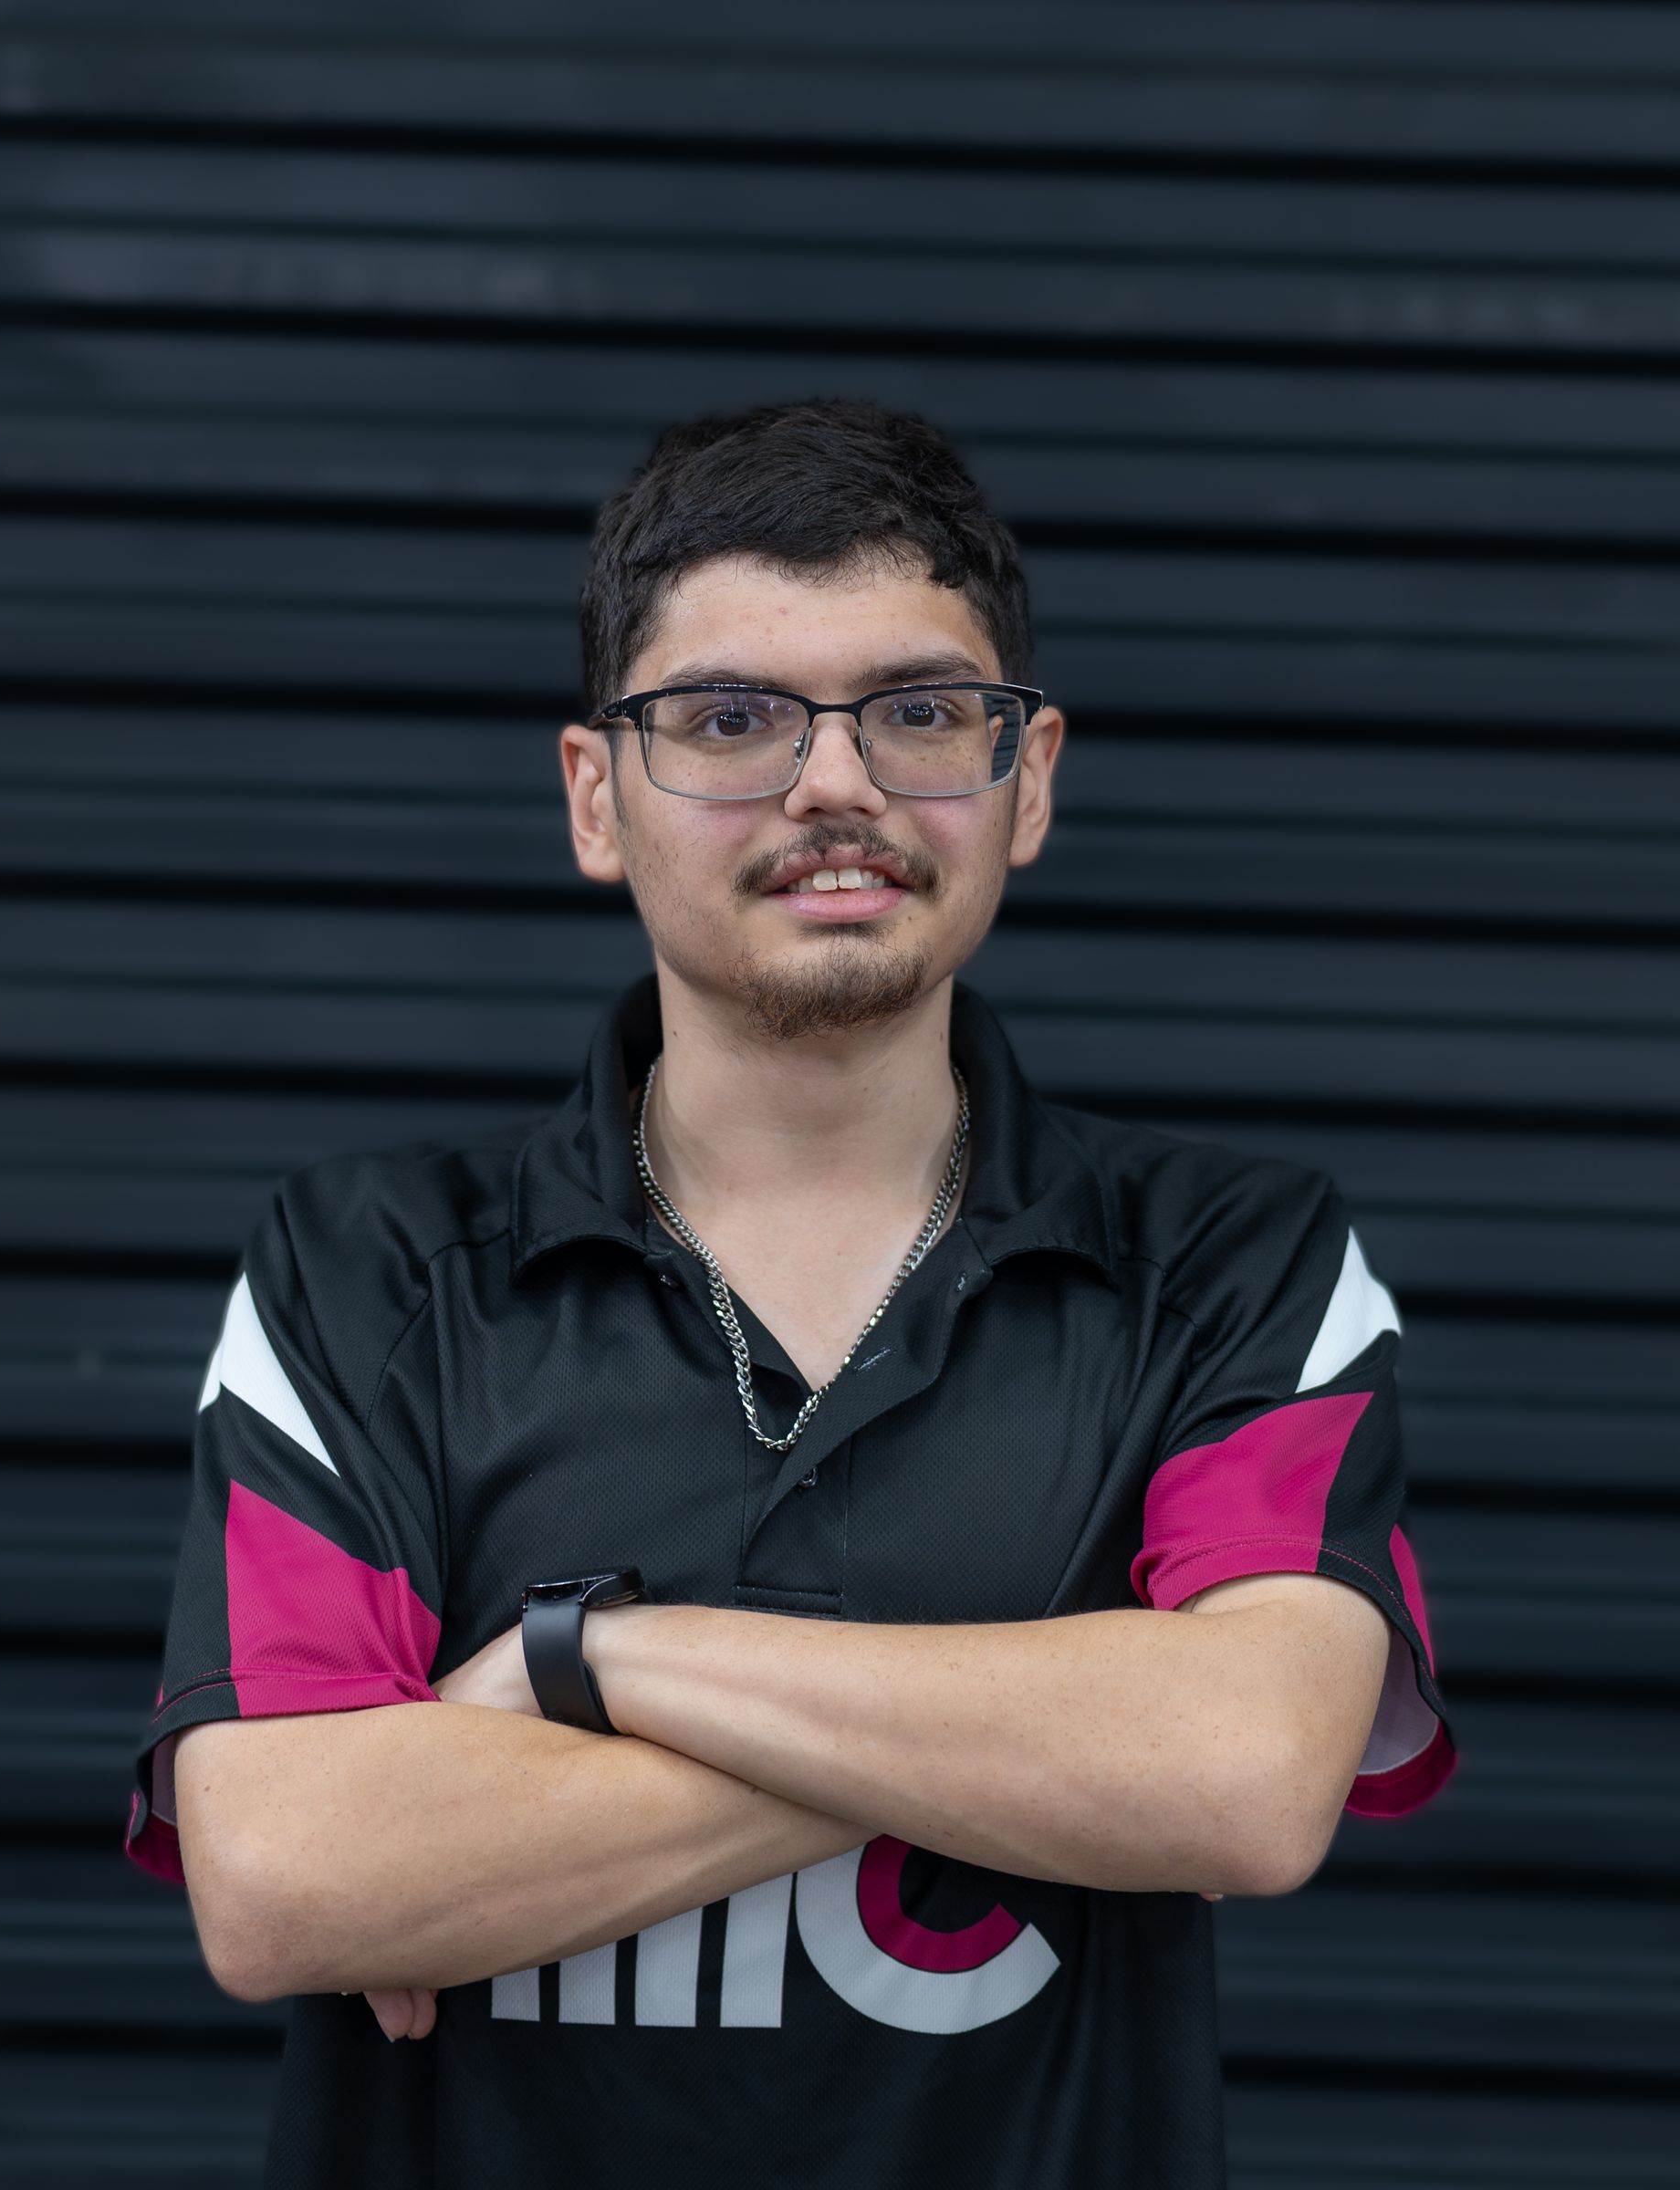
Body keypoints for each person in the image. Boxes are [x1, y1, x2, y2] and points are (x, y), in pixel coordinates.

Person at [126, 397, 1457, 2187]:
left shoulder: (1238, 1270)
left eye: (920, 711)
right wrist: (1048, 1741)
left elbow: (1242, 1778)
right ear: (599, 795)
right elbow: (286, 1879)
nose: (836, 784)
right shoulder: (364, 1276)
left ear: (1029, 778)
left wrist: (581, 1662)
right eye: (732, 719)